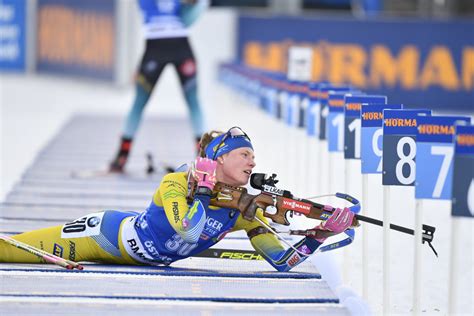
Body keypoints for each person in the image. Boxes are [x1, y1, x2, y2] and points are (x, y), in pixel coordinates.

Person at [0, 127, 355, 272]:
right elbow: (187, 231)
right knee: (11, 250)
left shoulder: (242, 210)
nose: (253, 162)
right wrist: (201, 190)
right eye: (244, 154)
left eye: (252, 156)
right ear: (219, 159)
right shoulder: (176, 183)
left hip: (141, 258)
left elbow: (283, 261)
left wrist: (321, 234)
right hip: (104, 239)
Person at [109, 0, 208, 172]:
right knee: (190, 103)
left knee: (142, 103)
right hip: (170, 46)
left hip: (165, 45)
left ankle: (121, 157)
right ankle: (204, 162)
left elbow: (191, 11)